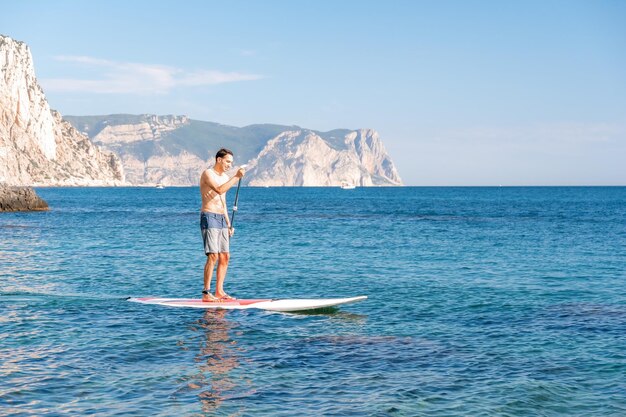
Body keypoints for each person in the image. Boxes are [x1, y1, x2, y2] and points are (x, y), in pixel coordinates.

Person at [199, 148, 245, 302]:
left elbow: (223, 201)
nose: (229, 165)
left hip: (221, 219)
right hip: (209, 216)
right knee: (213, 255)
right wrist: (236, 178)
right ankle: (206, 293)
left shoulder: (225, 176)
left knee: (225, 256)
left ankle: (219, 291)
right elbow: (219, 190)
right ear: (219, 159)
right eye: (227, 161)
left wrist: (228, 222)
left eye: (231, 163)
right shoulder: (208, 174)